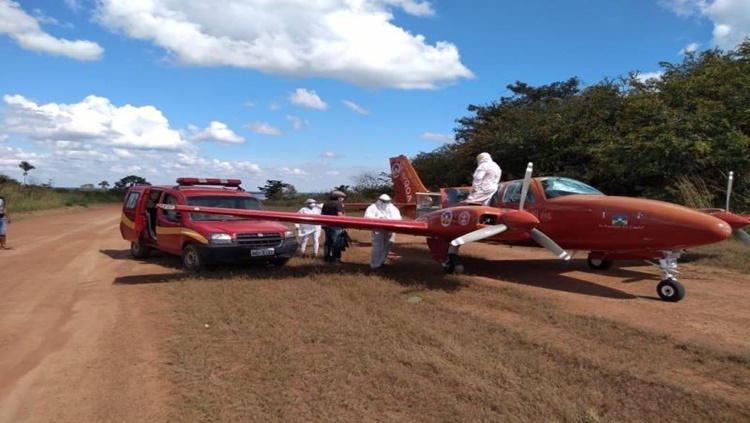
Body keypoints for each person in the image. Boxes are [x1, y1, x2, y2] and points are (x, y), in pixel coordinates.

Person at [364, 194, 402, 269]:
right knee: (378, 247)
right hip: (378, 230)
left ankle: (381, 262)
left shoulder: (393, 208)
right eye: (384, 201)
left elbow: (397, 218)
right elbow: (367, 218)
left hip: (390, 230)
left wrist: (387, 220)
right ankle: (374, 265)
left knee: (388, 245)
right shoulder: (372, 208)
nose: (386, 203)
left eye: (387, 201)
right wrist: (379, 219)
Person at [321, 190, 346, 263]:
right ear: (338, 197)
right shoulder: (338, 204)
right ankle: (336, 259)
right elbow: (340, 215)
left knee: (328, 242)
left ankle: (326, 257)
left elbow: (322, 214)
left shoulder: (325, 204)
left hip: (326, 225)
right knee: (336, 243)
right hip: (336, 226)